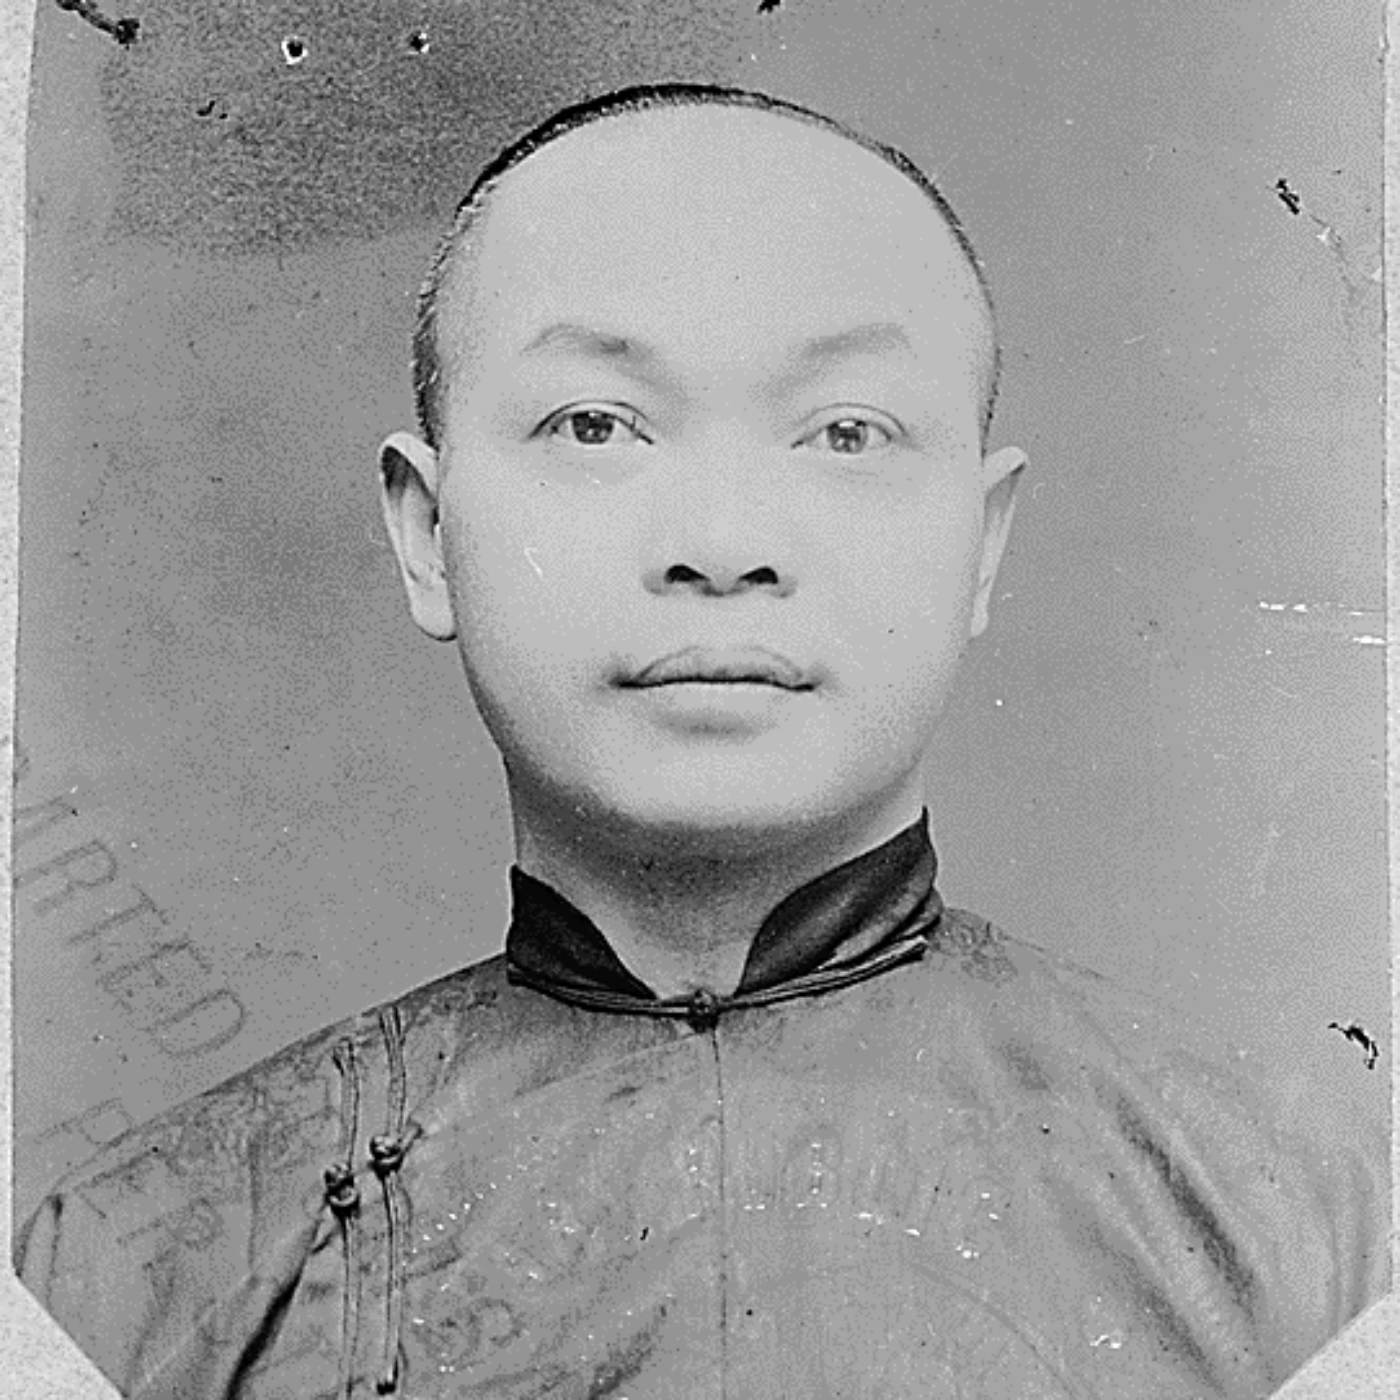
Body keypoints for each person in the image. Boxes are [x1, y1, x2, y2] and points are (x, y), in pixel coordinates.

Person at [15, 81, 1386, 1400]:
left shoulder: (1317, 1232)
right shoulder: (121, 1280)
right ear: (427, 534)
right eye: (597, 424)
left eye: (846, 432)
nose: (722, 548)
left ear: (985, 542)